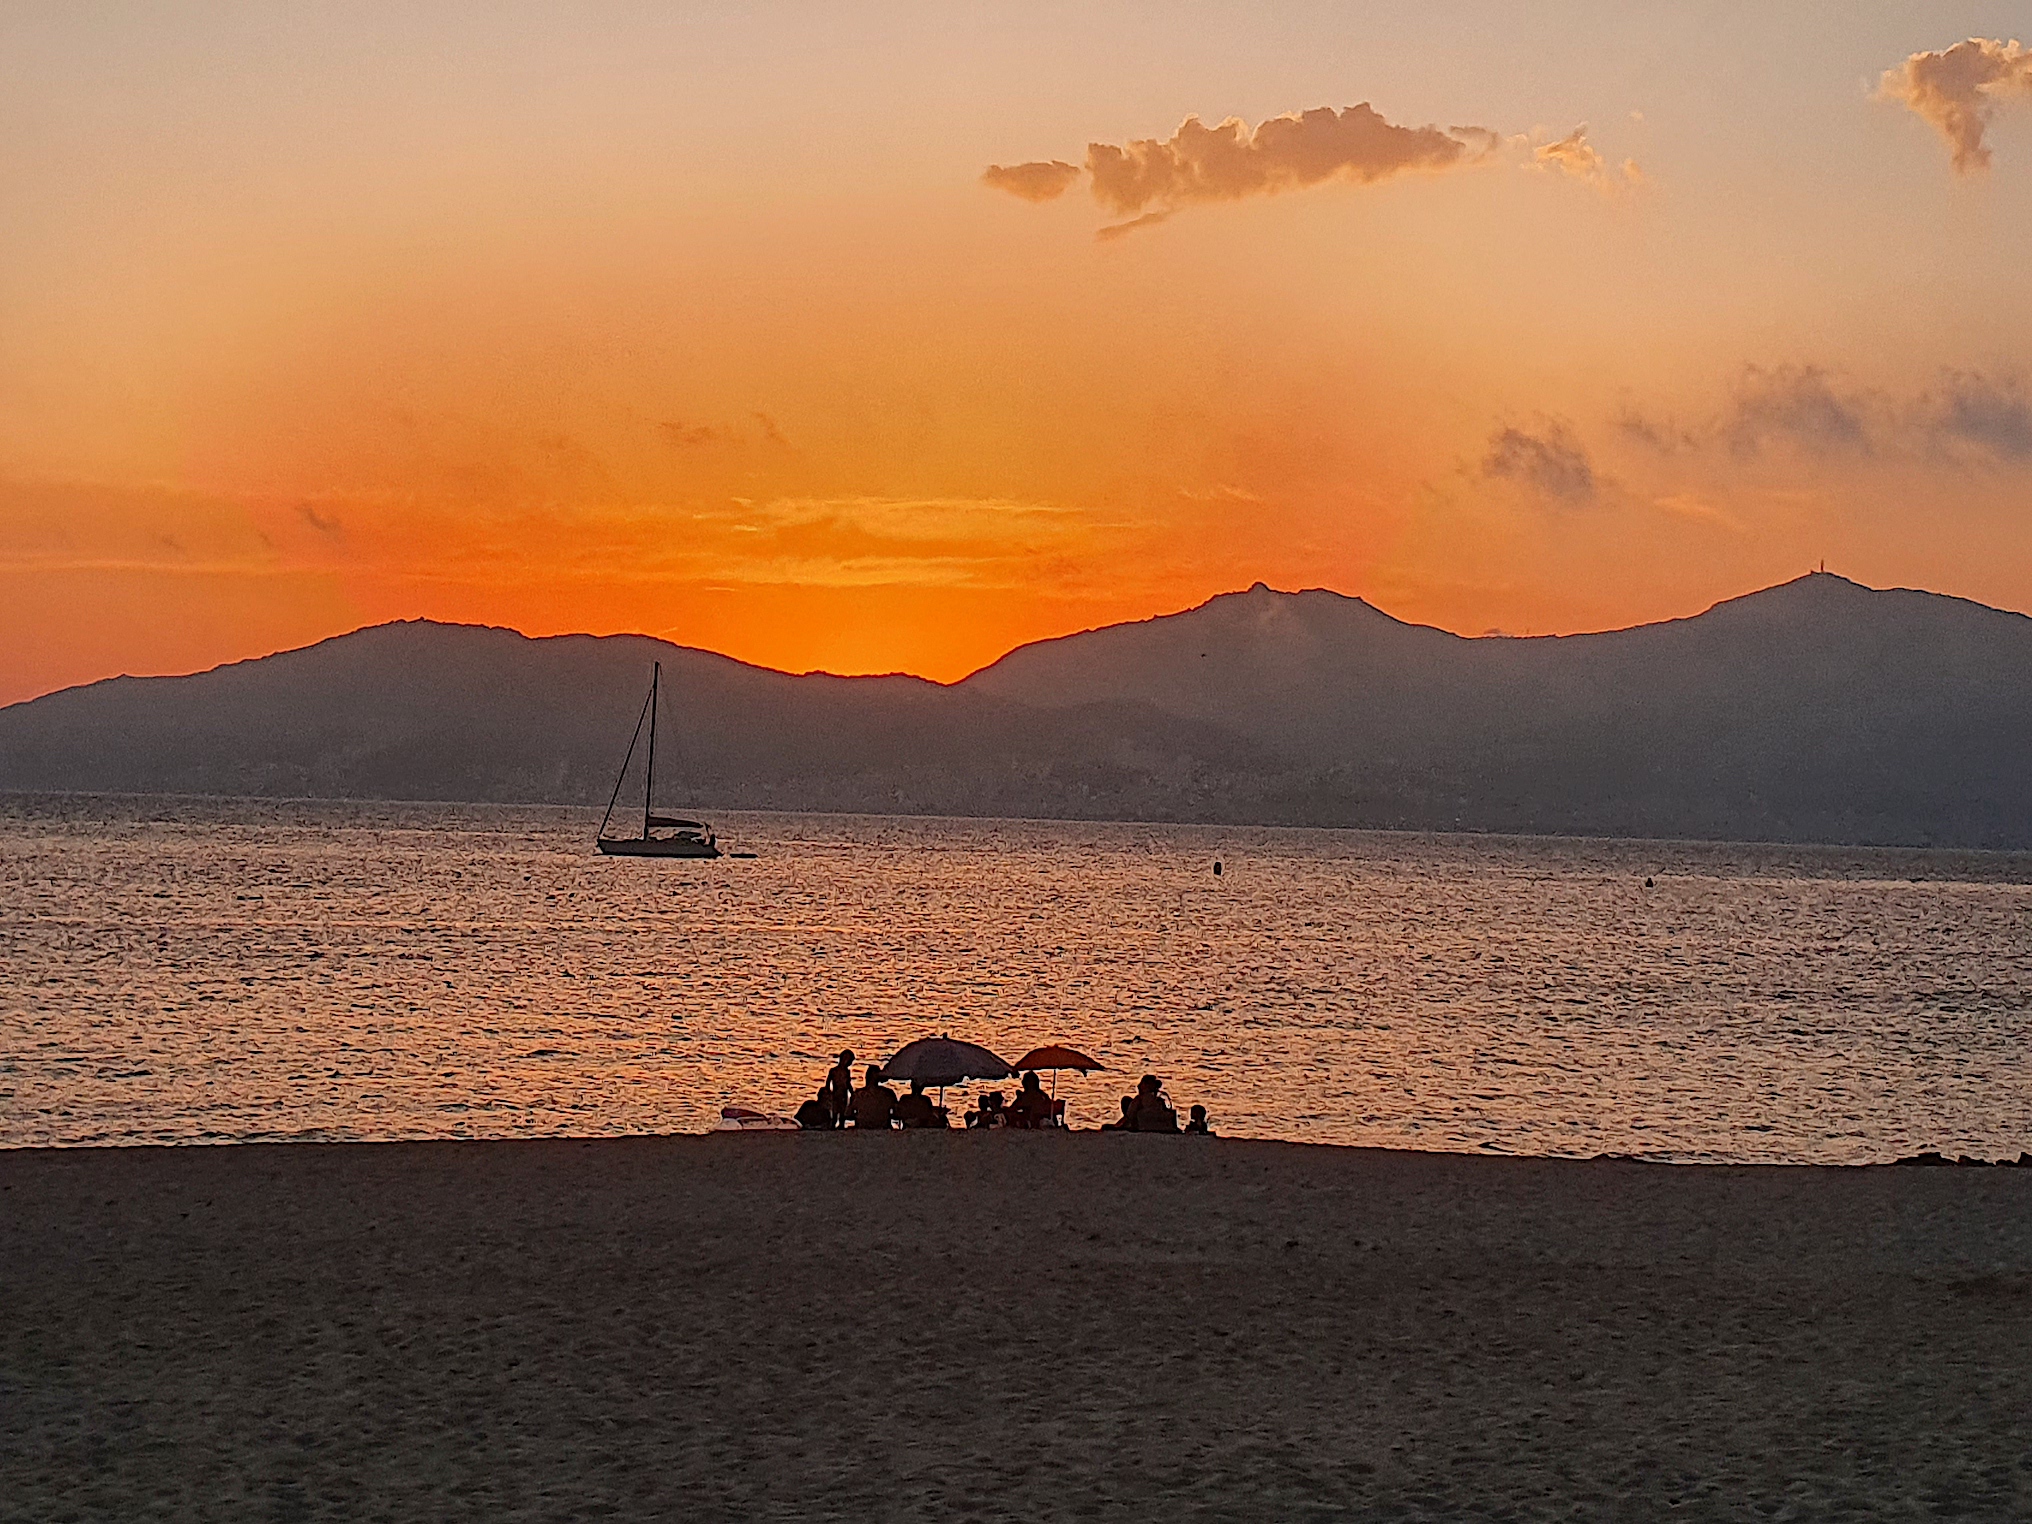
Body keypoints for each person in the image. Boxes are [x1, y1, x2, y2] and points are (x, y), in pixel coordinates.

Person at [851, 1065, 898, 1129]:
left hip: (863, 1125)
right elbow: (896, 1113)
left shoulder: (858, 1094)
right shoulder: (888, 1094)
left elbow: (849, 1113)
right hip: (882, 1126)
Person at [821, 1049, 856, 1128]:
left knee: (842, 1113)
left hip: (844, 1094)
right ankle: (833, 1126)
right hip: (836, 1094)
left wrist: (852, 1092)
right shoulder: (833, 1071)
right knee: (835, 1113)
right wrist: (827, 1092)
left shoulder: (847, 1072)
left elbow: (848, 1083)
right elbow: (828, 1082)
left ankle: (841, 1126)